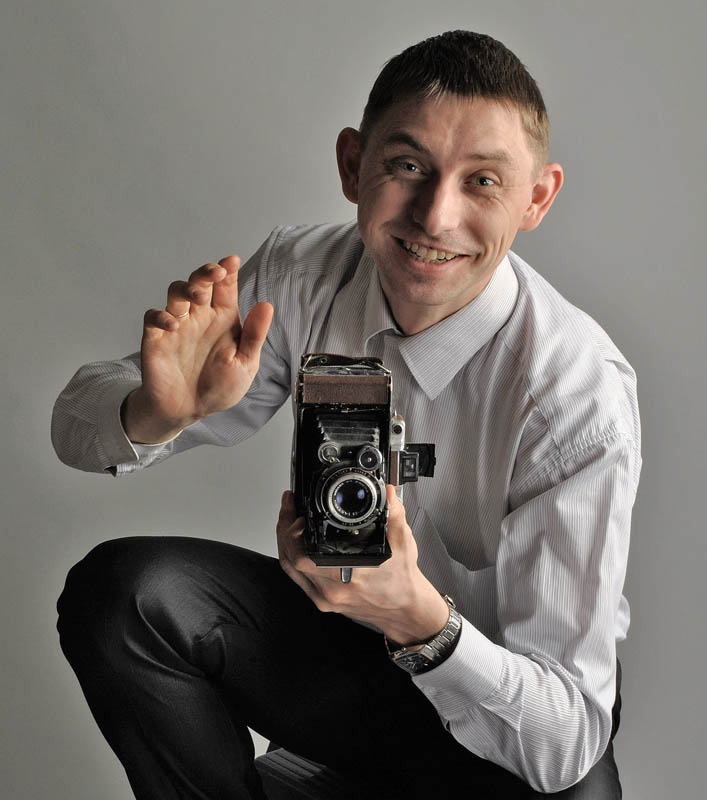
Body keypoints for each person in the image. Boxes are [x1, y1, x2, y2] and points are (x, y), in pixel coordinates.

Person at [53, 31, 640, 799]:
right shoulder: (301, 275)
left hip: (500, 707)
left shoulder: (574, 391)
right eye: (407, 167)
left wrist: (421, 621)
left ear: (535, 198)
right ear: (351, 165)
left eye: (482, 181)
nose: (435, 217)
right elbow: (74, 432)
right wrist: (156, 410)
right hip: (348, 668)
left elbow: (563, 741)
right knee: (127, 591)